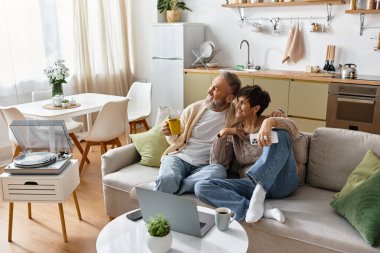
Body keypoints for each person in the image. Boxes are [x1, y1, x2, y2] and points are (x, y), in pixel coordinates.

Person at [194, 85, 299, 223]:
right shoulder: (236, 131)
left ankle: (259, 192)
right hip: (251, 183)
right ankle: (256, 208)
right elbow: (217, 163)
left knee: (279, 134)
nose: (237, 105)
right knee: (201, 186)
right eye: (238, 101)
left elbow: (293, 129)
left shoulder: (273, 122)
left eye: (242, 102)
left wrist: (270, 122)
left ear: (255, 108)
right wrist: (223, 133)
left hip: (282, 181)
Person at [154, 72, 242, 194]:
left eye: (216, 89)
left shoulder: (236, 116)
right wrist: (170, 134)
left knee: (220, 171)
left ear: (229, 98)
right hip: (179, 158)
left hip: (206, 166)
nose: (209, 91)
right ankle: (168, 182)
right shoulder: (193, 109)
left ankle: (171, 186)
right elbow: (176, 141)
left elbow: (259, 118)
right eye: (211, 85)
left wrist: (277, 114)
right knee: (168, 178)